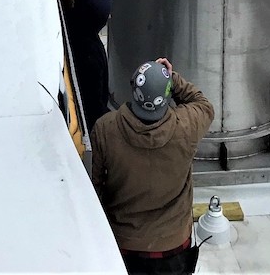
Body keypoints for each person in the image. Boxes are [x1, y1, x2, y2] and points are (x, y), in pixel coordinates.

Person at [91, 58, 214, 275]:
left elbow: (96, 185)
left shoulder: (105, 129)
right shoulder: (187, 126)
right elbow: (202, 104)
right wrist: (172, 79)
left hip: (124, 247)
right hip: (174, 248)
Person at [64, 0, 112, 132]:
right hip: (91, 123)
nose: (108, 17)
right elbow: (94, 103)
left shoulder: (75, 28)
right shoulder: (89, 55)